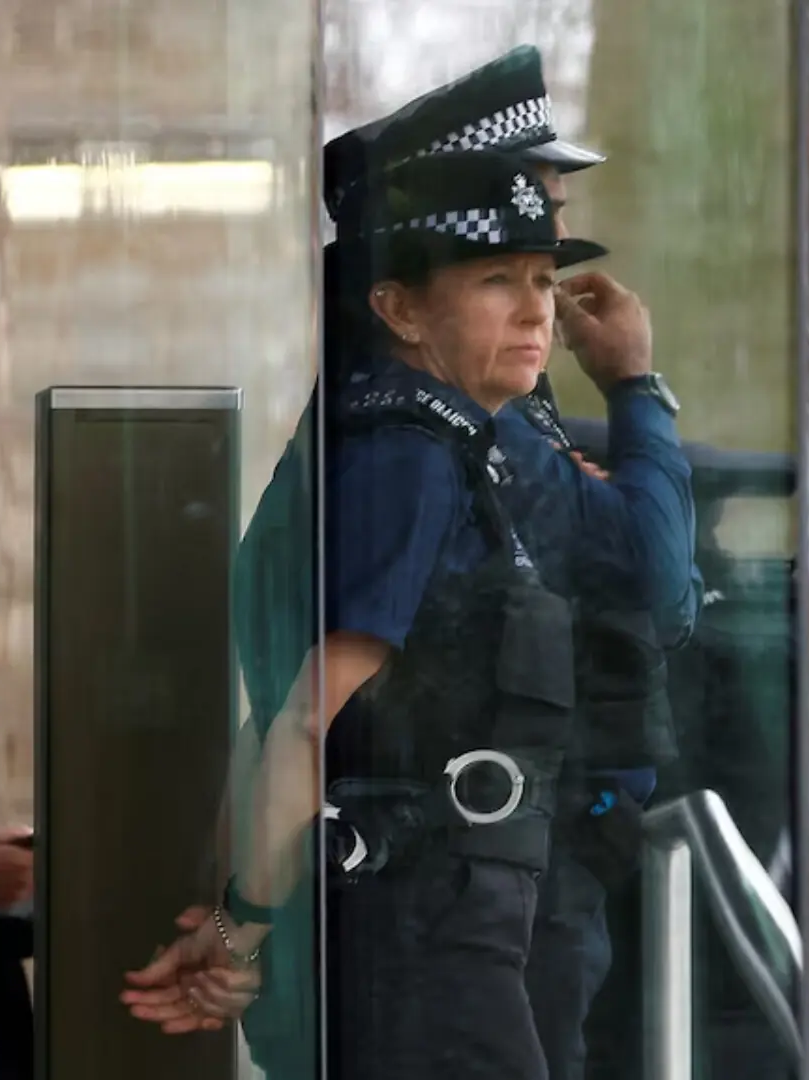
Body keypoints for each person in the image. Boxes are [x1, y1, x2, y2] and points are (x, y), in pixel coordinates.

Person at [124, 150, 688, 1079]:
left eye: (544, 280)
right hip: (423, 924)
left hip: (452, 914)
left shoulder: (446, 446)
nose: (535, 309)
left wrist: (235, 915)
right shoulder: (411, 459)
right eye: (496, 280)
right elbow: (308, 714)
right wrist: (244, 927)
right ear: (398, 308)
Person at [321, 47, 701, 1080]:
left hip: (524, 862)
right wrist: (635, 385)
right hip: (483, 876)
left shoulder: (485, 415)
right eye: (515, 245)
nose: (552, 258)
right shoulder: (427, 435)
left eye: (546, 255)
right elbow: (656, 582)